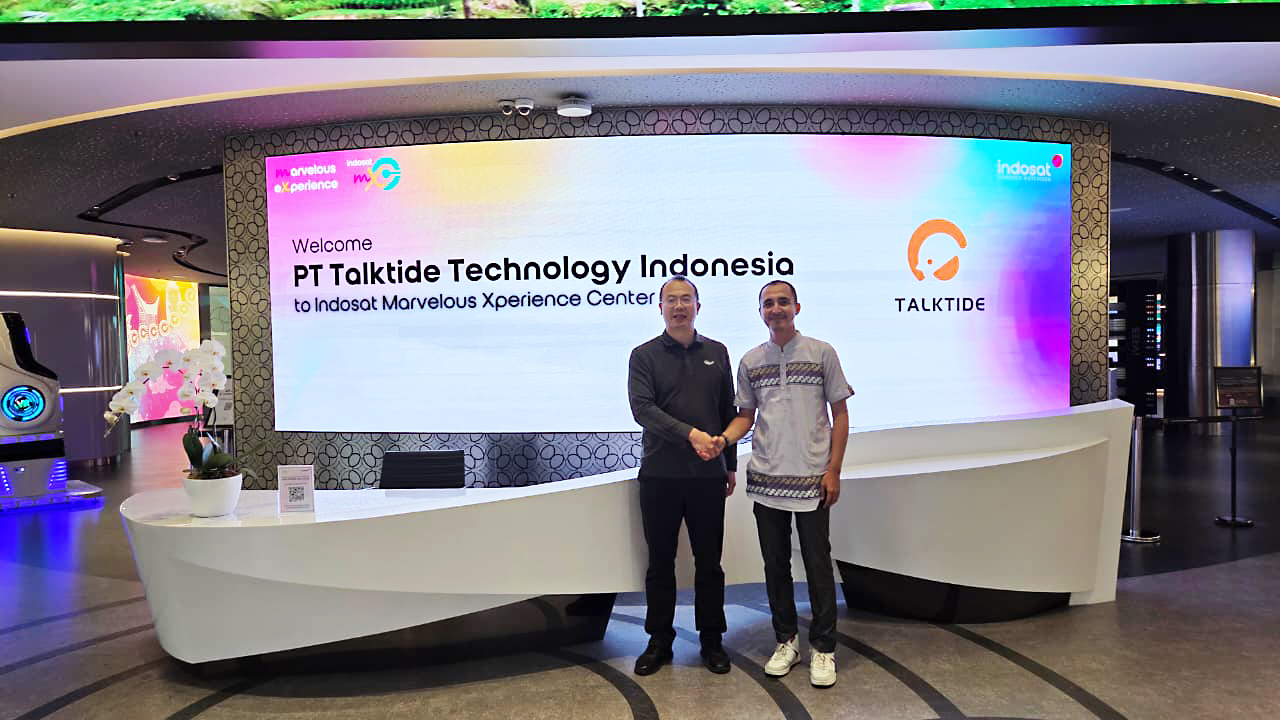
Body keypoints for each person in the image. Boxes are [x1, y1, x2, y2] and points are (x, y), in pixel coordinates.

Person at [720, 279, 852, 688]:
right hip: (767, 479)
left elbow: (840, 414)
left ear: (797, 307)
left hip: (813, 478)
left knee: (817, 564)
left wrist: (833, 469)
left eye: (782, 302)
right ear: (760, 311)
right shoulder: (750, 361)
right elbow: (746, 415)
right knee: (775, 565)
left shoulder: (822, 353)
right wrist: (723, 440)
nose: (775, 309)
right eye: (768, 303)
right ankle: (786, 641)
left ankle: (824, 648)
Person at [627, 275, 738, 676]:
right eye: (671, 300)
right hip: (660, 476)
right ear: (660, 308)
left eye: (686, 299)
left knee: (710, 563)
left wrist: (730, 463)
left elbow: (728, 410)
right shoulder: (643, 355)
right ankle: (659, 640)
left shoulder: (717, 352)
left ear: (698, 306)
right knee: (660, 562)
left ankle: (712, 639)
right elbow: (643, 410)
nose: (679, 306)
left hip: (708, 476)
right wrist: (691, 435)